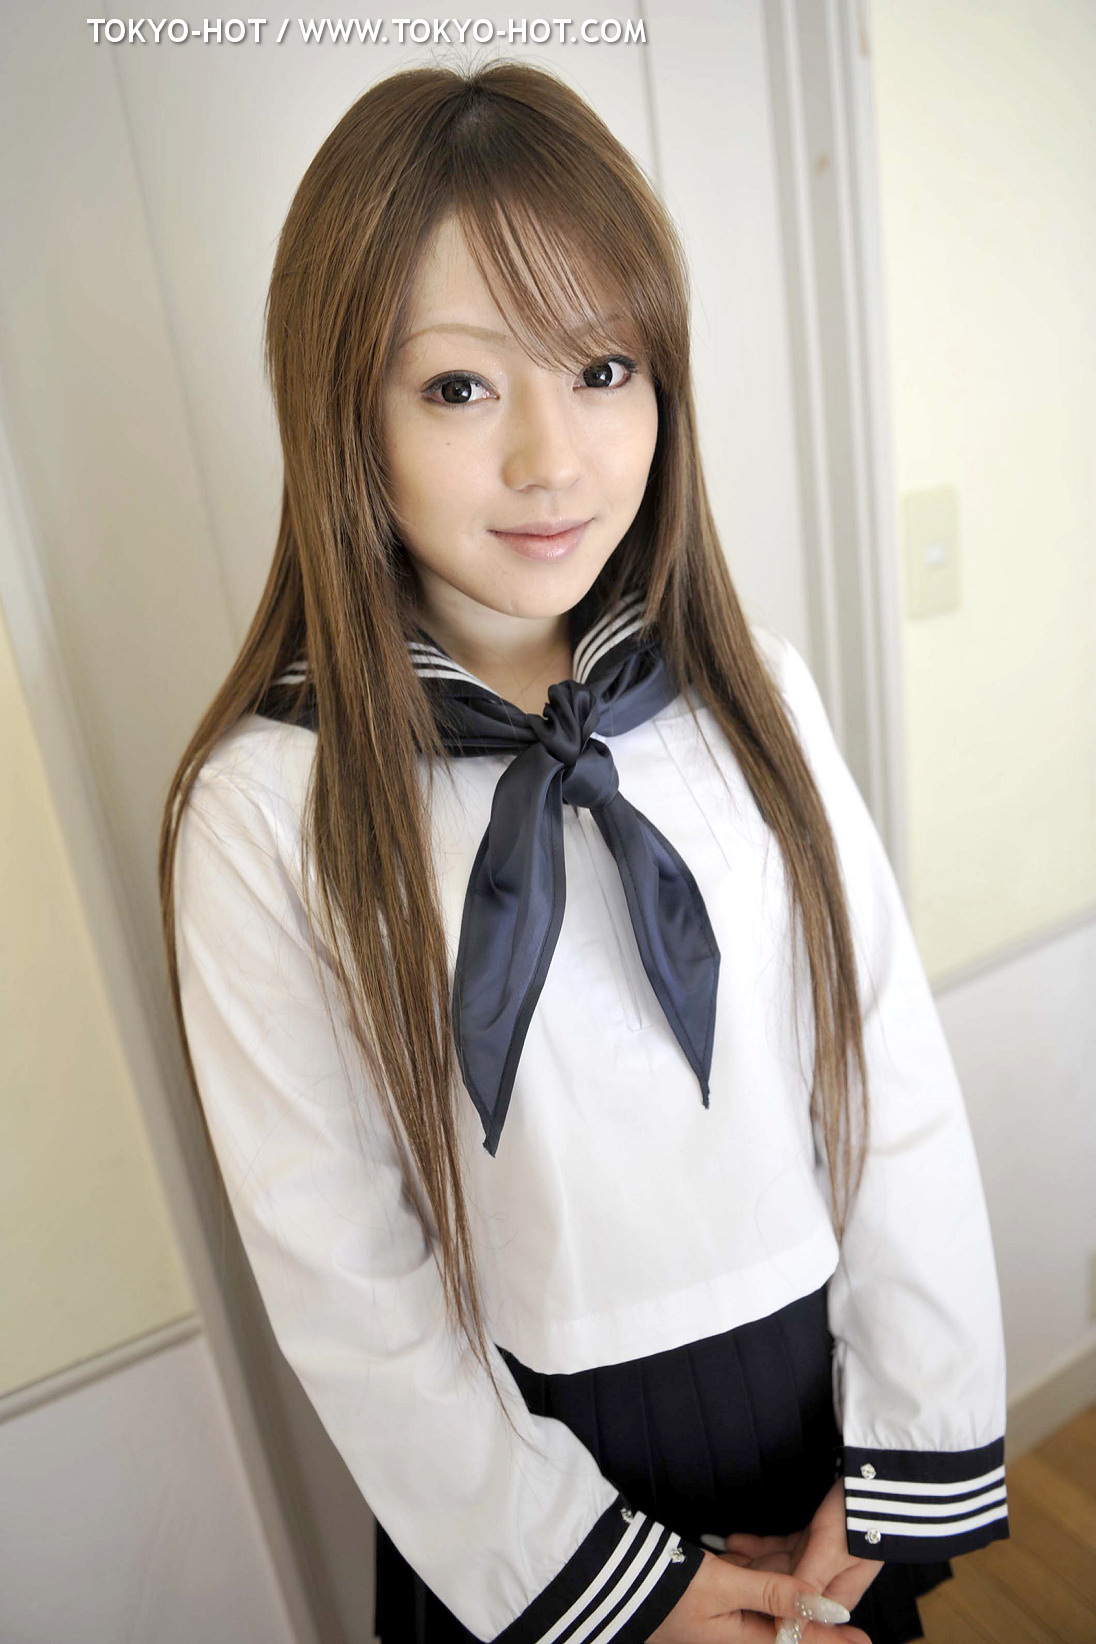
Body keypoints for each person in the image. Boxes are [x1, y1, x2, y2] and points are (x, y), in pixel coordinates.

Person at [159, 61, 1009, 1644]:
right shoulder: (267, 810)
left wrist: (901, 1447)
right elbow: (345, 1276)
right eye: (459, 388)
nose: (552, 458)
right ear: (342, 411)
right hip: (520, 1494)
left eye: (603, 366)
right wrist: (614, 1582)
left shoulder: (752, 697)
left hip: (820, 1425)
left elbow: (886, 1073)